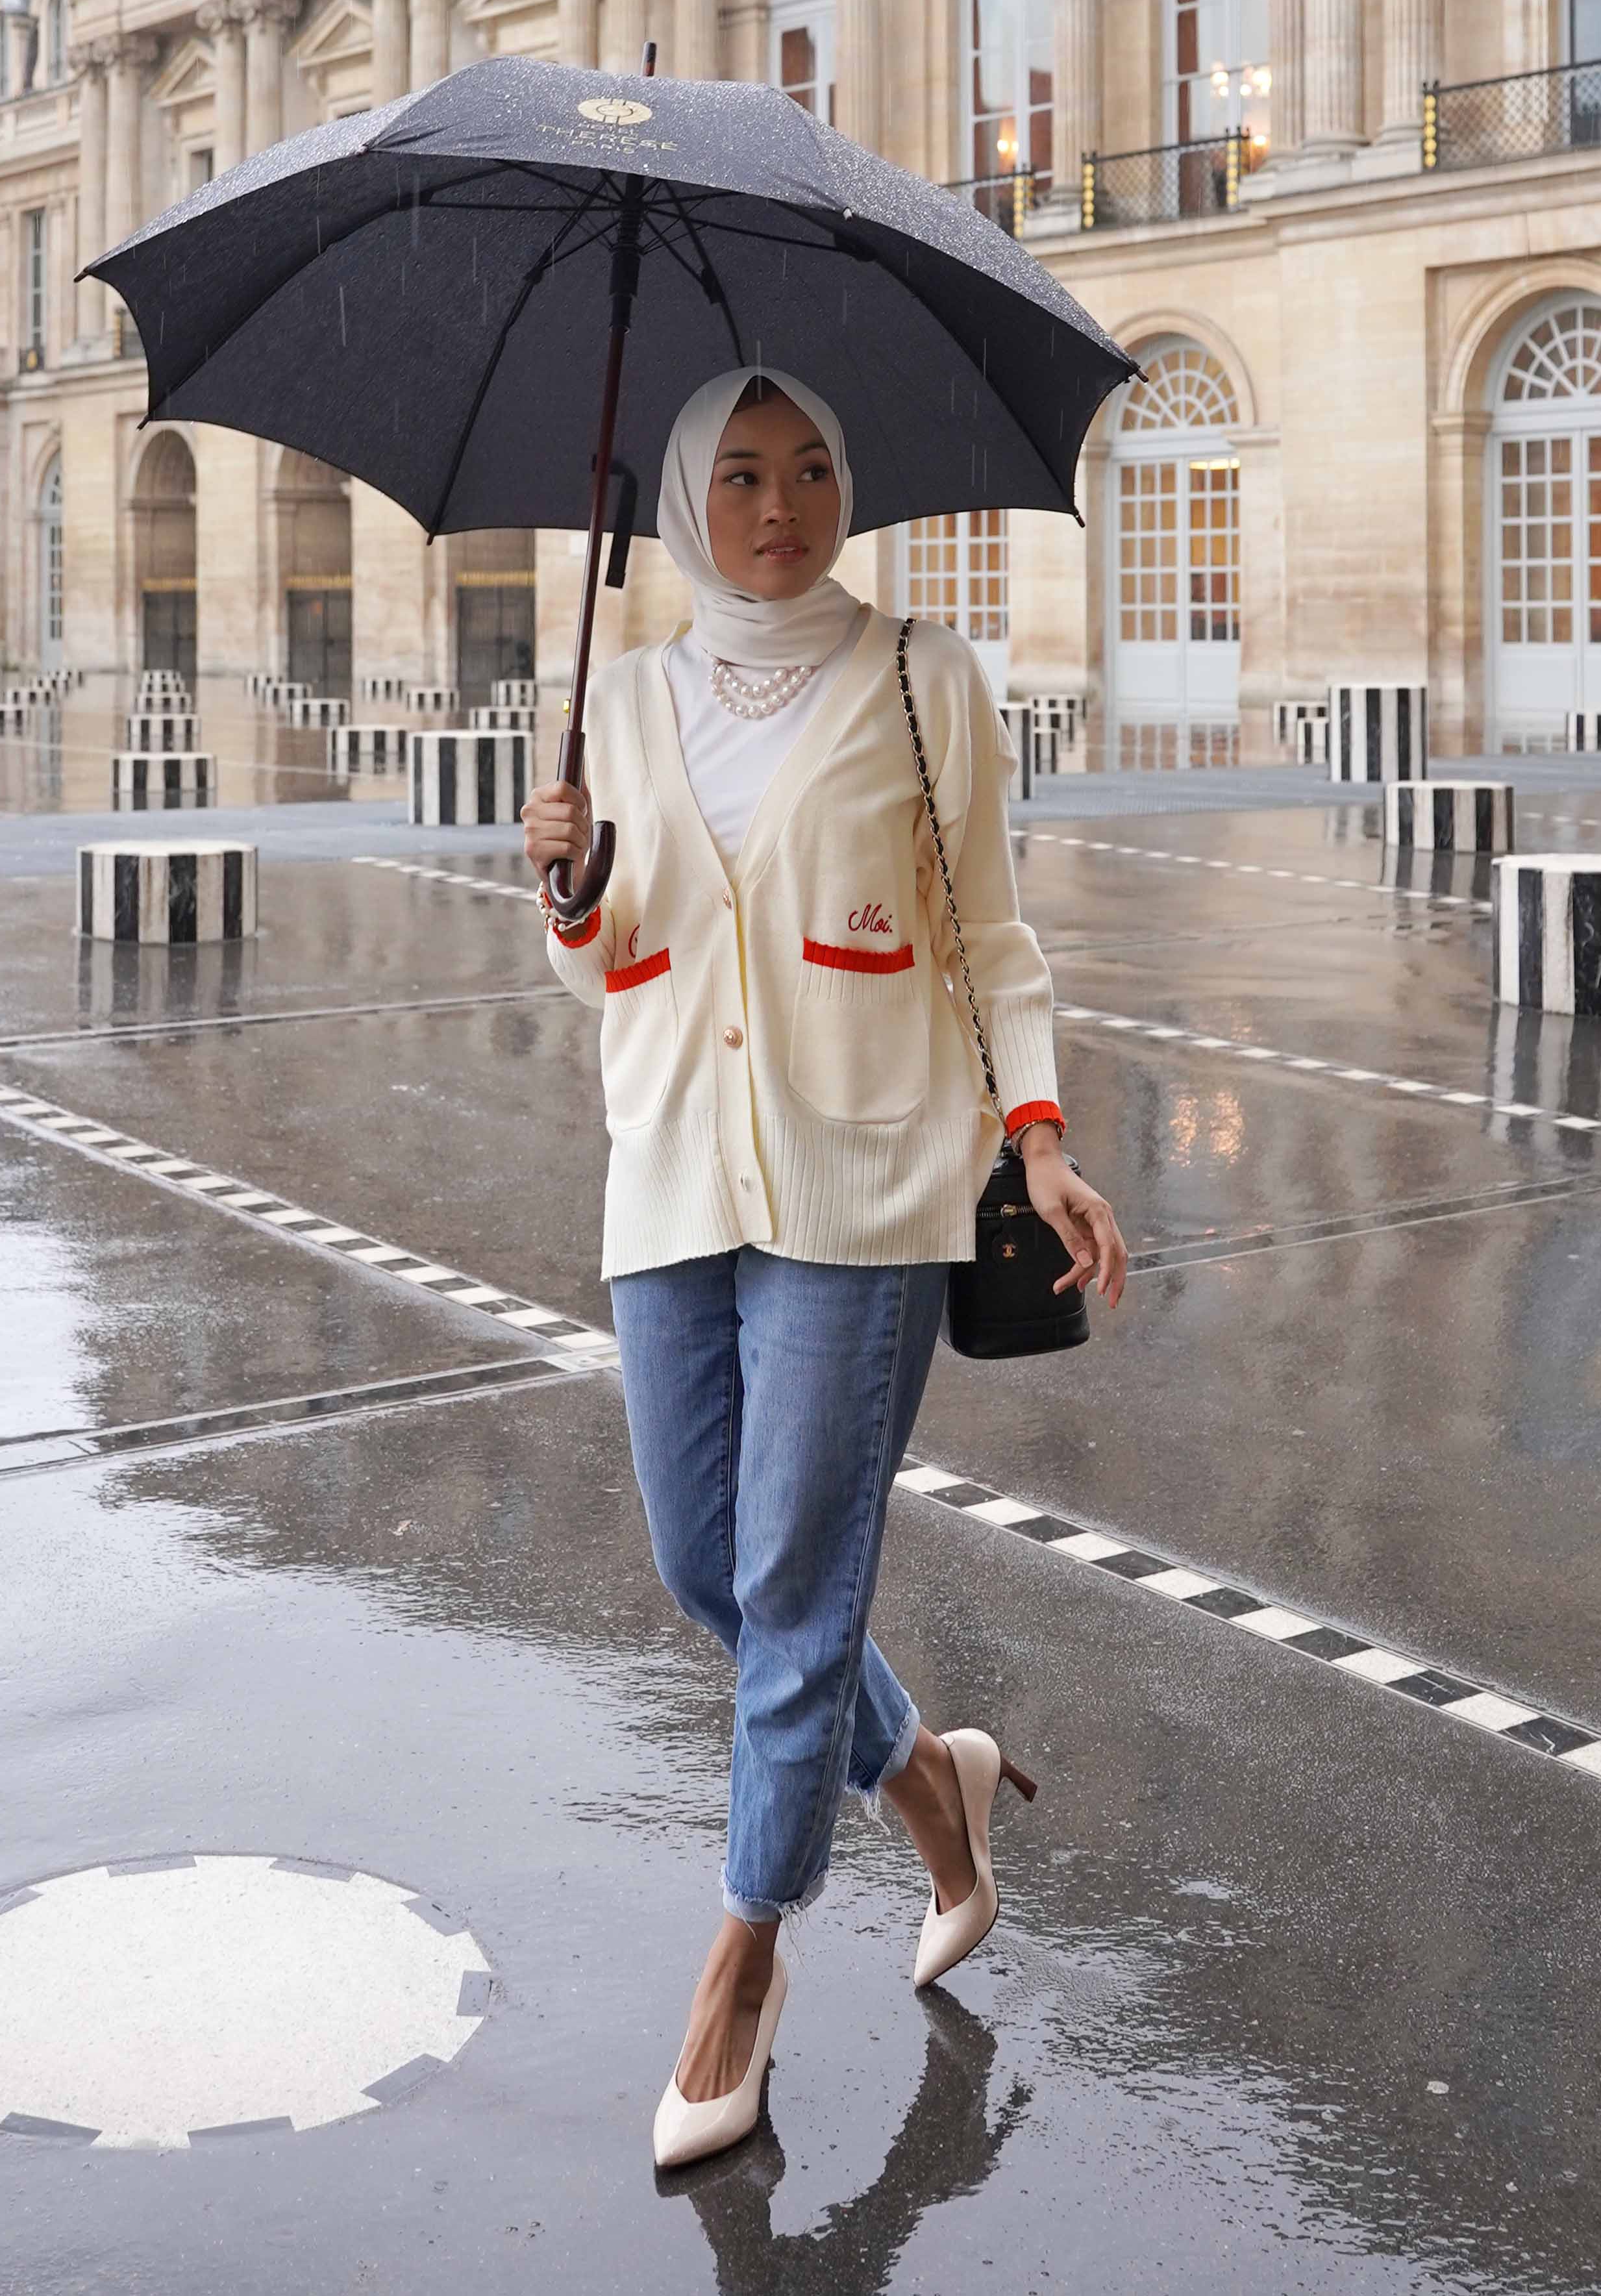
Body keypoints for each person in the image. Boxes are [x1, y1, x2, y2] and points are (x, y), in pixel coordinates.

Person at [522, 367, 1126, 2171]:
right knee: (705, 1560)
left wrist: (1035, 1131)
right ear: (685, 503)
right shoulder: (617, 703)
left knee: (789, 1587)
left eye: (807, 472)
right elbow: (603, 967)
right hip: (671, 1183)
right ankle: (927, 1776)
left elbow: (992, 939)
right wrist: (563, 894)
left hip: (865, 1196)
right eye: (740, 478)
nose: (776, 508)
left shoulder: (927, 680)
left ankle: (744, 1963)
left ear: (845, 487)